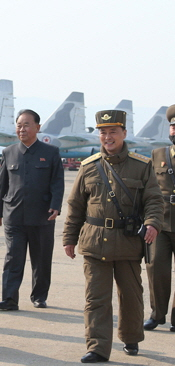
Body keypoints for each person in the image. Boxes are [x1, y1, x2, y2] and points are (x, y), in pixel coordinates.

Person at [63, 110, 163, 363]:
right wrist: (69, 237)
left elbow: (153, 199)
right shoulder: (89, 167)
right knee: (96, 298)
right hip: (94, 242)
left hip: (128, 243)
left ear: (124, 134)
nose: (107, 137)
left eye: (113, 132)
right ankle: (97, 347)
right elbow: (76, 205)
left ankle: (131, 337)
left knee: (130, 297)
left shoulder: (142, 165)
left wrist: (152, 223)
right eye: (103, 132)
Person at [0, 109, 64, 311]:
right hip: (13, 215)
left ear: (37, 128)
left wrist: (56, 206)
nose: (22, 129)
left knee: (41, 259)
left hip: (42, 215)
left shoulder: (50, 153)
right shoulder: (9, 152)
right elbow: (2, 184)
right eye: (19, 125)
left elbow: (57, 182)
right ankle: (9, 299)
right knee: (13, 258)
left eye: (26, 125)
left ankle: (39, 296)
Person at [145, 104, 175, 333]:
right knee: (156, 268)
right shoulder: (158, 154)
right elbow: (149, 189)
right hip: (161, 222)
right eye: (173, 127)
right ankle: (157, 314)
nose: (174, 131)